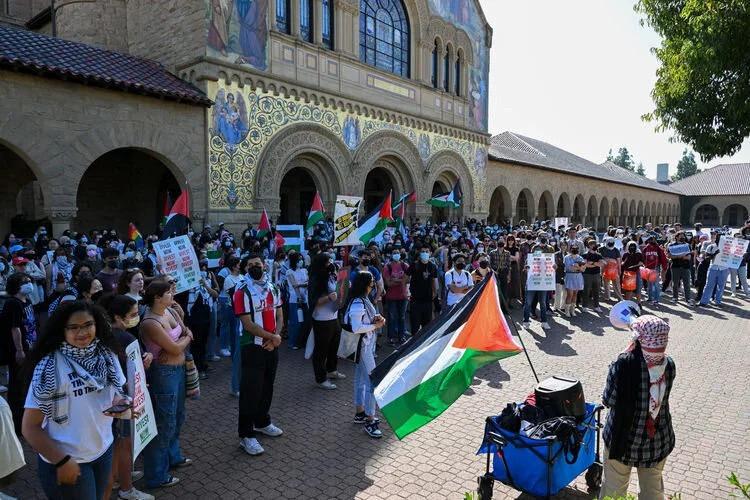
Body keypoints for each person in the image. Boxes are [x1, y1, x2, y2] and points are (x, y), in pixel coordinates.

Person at [21, 301, 128, 500]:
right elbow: (30, 428)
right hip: (69, 459)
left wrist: (122, 405)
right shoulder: (49, 368)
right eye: (73, 327)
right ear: (62, 330)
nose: (82, 332)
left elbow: (117, 395)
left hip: (103, 449)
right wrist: (61, 461)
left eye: (88, 324)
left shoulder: (107, 355)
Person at [599, 315, 675, 499]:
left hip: (622, 440)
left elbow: (608, 400)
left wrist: (618, 361)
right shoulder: (669, 364)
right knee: (653, 491)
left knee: (614, 490)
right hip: (658, 440)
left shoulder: (623, 363)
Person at [140, 280, 192, 489]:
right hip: (163, 375)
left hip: (178, 372)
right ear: (157, 298)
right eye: (168, 293)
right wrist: (186, 338)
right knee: (164, 422)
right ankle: (156, 474)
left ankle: (173, 456)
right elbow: (174, 347)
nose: (172, 295)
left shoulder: (170, 311)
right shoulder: (150, 322)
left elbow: (185, 331)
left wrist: (183, 338)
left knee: (178, 416)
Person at [102, 295, 154, 500]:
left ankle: (117, 477)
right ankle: (126, 488)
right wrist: (147, 360)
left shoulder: (106, 335)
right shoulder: (126, 338)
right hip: (123, 400)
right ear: (118, 316)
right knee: (123, 444)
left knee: (115, 444)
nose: (136, 317)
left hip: (111, 400)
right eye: (132, 314)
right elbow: (139, 367)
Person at [233, 254, 284, 456]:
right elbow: (247, 323)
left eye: (259, 264)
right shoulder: (241, 291)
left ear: (264, 266)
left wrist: (276, 337)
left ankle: (262, 421)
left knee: (267, 386)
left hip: (272, 345)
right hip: (252, 346)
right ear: (246, 268)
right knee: (250, 391)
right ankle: (246, 435)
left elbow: (280, 315)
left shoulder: (273, 288)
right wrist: (271, 337)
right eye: (251, 265)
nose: (256, 267)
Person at [344, 271, 386, 438]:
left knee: (361, 379)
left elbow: (363, 320)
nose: (374, 284)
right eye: (372, 282)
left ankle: (360, 412)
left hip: (365, 346)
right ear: (366, 285)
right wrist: (375, 326)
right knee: (373, 380)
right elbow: (356, 328)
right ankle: (370, 418)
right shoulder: (357, 303)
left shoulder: (361, 300)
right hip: (363, 347)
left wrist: (375, 318)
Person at [1, 273, 39, 433]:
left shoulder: (27, 301)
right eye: (25, 281)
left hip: (29, 347)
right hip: (18, 350)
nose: (29, 284)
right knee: (17, 386)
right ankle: (17, 425)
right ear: (16, 285)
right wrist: (20, 350)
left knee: (26, 384)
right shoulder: (12, 304)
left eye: (29, 280)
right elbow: (15, 328)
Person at [308, 253, 345, 390]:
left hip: (333, 316)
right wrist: (329, 298)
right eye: (327, 261)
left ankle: (332, 370)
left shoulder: (331, 275)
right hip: (321, 318)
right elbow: (314, 301)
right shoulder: (316, 278)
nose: (330, 263)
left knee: (334, 344)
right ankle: (321, 378)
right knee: (321, 349)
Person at [407, 245, 438, 336]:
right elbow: (405, 279)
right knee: (415, 326)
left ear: (430, 253)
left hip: (427, 300)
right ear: (420, 254)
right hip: (415, 300)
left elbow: (434, 281)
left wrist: (435, 293)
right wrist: (408, 292)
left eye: (427, 251)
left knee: (427, 326)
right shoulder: (414, 265)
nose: (425, 253)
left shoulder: (432, 266)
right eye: (423, 251)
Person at [383, 249, 410, 346]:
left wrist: (395, 279)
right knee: (392, 317)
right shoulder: (387, 267)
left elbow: (408, 280)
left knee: (402, 317)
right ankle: (391, 338)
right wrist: (402, 280)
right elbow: (388, 283)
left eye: (397, 253)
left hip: (403, 296)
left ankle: (401, 336)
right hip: (391, 297)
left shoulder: (405, 266)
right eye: (394, 253)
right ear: (391, 255)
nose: (396, 255)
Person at [285, 252, 309, 350]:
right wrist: (299, 296)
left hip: (305, 299)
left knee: (304, 322)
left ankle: (301, 341)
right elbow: (294, 285)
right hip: (295, 299)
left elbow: (308, 281)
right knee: (295, 322)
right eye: (299, 259)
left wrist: (301, 285)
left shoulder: (304, 270)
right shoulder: (289, 272)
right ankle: (292, 342)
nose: (301, 261)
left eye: (301, 259)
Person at [698, 243, 729, 307]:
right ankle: (703, 302)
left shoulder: (729, 246)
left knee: (721, 286)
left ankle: (718, 302)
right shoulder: (711, 246)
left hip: (724, 269)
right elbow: (706, 258)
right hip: (713, 268)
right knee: (709, 285)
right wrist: (715, 254)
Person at [666, 232, 692, 305]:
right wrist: (681, 256)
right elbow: (670, 256)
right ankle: (675, 298)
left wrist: (677, 256)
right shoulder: (671, 245)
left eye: (683, 236)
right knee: (675, 284)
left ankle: (688, 299)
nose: (682, 237)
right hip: (675, 267)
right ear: (676, 237)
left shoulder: (687, 245)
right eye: (681, 236)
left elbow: (688, 257)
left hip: (685, 267)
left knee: (687, 284)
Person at [562, 242, 585, 317]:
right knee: (570, 294)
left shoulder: (580, 257)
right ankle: (567, 311)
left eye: (576, 249)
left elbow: (583, 269)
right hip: (570, 276)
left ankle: (572, 310)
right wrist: (579, 267)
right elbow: (569, 268)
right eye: (573, 248)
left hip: (578, 277)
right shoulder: (567, 257)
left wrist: (576, 266)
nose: (575, 250)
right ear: (570, 249)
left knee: (575, 294)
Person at [582, 238, 604, 312]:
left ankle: (596, 306)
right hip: (587, 275)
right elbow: (586, 265)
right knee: (586, 291)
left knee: (596, 291)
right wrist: (595, 264)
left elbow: (601, 264)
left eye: (594, 244)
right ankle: (584, 306)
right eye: (592, 244)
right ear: (589, 246)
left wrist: (593, 263)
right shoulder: (585, 254)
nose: (594, 246)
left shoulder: (599, 254)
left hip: (596, 274)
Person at [600, 237, 623, 302]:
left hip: (613, 270)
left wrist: (619, 270)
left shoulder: (616, 250)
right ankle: (608, 297)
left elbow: (618, 261)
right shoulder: (602, 249)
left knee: (615, 285)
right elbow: (600, 259)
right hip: (606, 269)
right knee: (607, 284)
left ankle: (619, 298)